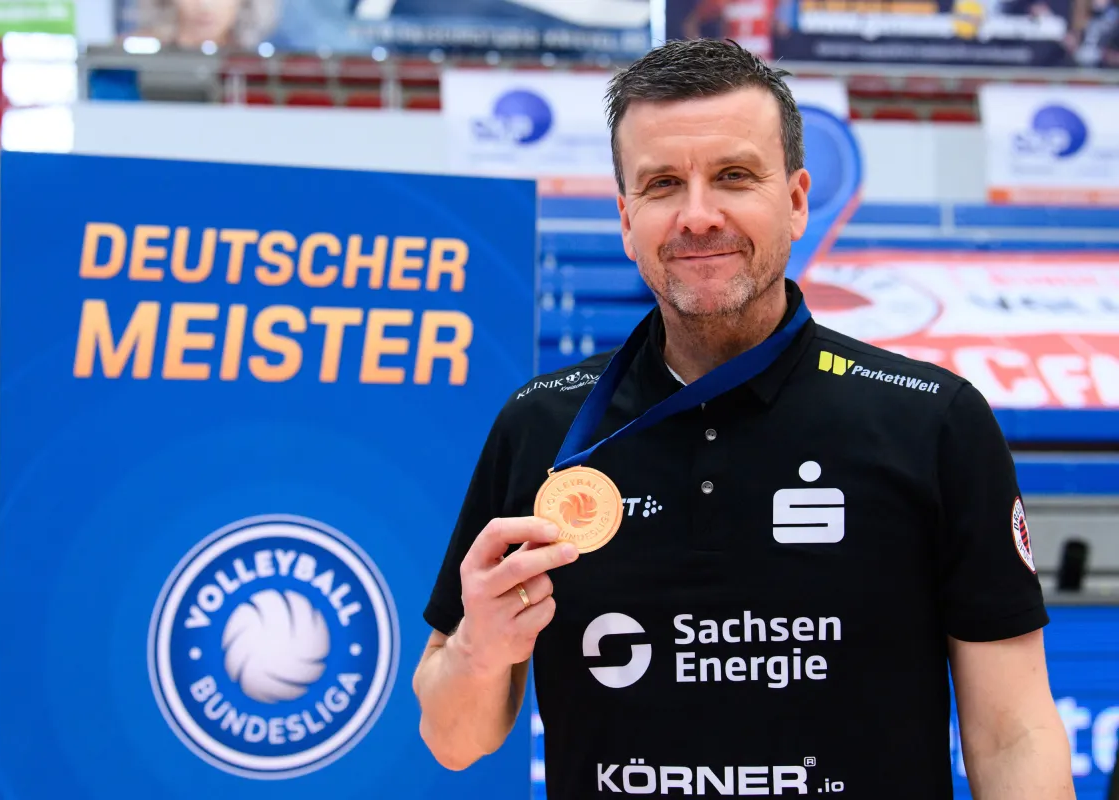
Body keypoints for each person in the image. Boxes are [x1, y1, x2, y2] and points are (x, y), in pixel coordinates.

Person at [412, 38, 1075, 799]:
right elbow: (454, 740)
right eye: (663, 184)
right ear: (626, 219)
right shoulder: (542, 427)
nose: (699, 216)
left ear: (796, 200)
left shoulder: (932, 422)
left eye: (733, 176)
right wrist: (478, 650)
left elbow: (1014, 732)